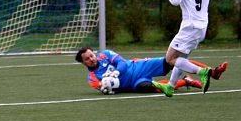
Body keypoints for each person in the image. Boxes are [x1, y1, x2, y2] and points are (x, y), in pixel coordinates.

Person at [162, 0, 230, 95]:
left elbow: (175, 1)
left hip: (189, 26)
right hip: (202, 27)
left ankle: (203, 71)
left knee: (170, 58)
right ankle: (170, 86)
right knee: (182, 57)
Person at [75, 46, 206, 94]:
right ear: (83, 63)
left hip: (139, 67)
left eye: (91, 55)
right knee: (155, 88)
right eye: (87, 59)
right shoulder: (92, 78)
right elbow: (101, 87)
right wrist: (106, 87)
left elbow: (122, 63)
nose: (91, 59)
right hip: (134, 84)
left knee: (172, 61)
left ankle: (208, 70)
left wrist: (116, 72)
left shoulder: (105, 54)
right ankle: (185, 81)